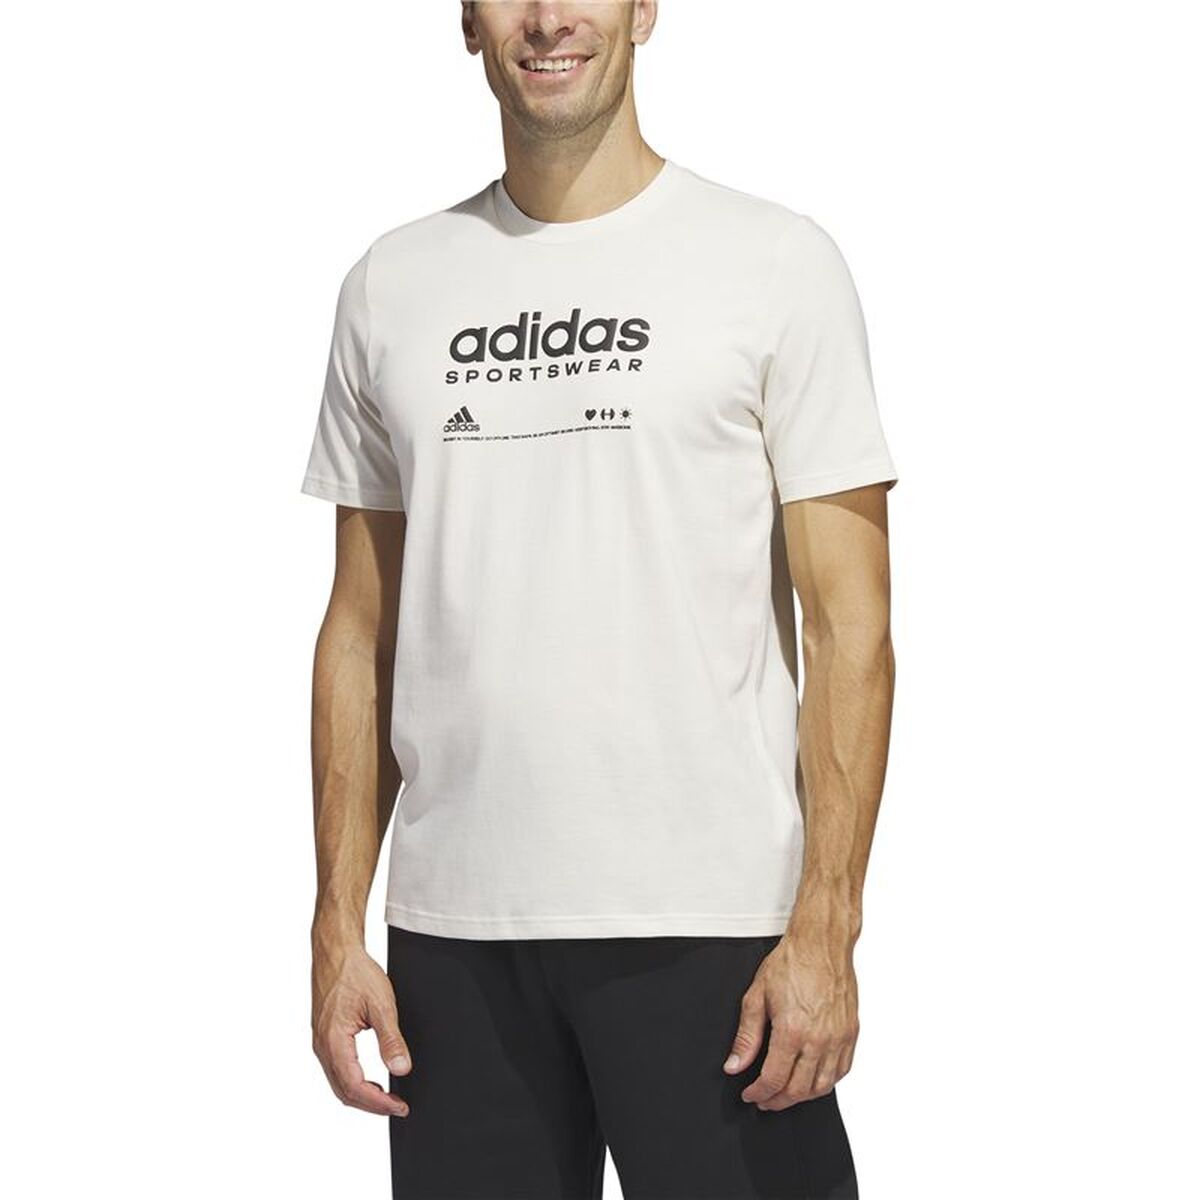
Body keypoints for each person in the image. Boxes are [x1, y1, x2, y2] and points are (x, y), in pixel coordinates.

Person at [300, 3, 897, 1197]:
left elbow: (852, 629)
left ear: (644, 9)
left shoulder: (773, 262)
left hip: (716, 931)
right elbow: (360, 632)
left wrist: (828, 923)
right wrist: (335, 925)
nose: (549, 19)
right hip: (455, 946)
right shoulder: (389, 285)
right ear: (467, 21)